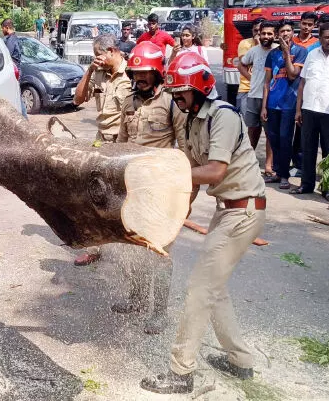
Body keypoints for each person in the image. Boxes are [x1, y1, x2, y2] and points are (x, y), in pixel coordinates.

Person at [141, 52, 266, 395]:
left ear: (200, 88)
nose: (176, 99)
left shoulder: (221, 116)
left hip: (243, 211)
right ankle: (241, 361)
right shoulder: (194, 120)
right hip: (227, 210)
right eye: (175, 93)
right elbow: (193, 182)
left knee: (199, 290)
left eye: (181, 93)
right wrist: (173, 218)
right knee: (215, 290)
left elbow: (214, 171)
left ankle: (180, 373)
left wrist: (166, 175)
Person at [115, 41, 187, 334]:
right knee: (132, 248)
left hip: (161, 191)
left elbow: (184, 148)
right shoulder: (128, 102)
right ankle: (137, 299)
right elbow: (118, 146)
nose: (139, 78)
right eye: (135, 73)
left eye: (145, 73)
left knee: (159, 255)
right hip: (132, 190)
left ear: (158, 73)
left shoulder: (171, 103)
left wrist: (183, 193)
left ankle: (159, 313)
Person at [71, 34, 132, 266]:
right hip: (101, 140)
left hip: (123, 141)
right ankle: (95, 247)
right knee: (93, 194)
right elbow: (78, 100)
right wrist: (88, 71)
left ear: (113, 51)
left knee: (123, 195)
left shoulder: (132, 74)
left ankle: (127, 245)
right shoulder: (97, 73)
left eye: (99, 55)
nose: (97, 60)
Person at [292, 21, 329, 198]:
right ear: (320, 38)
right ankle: (306, 185)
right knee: (308, 148)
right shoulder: (312, 54)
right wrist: (298, 110)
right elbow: (302, 83)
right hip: (309, 109)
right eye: (327, 37)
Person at [259, 20, 307, 191]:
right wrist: (264, 106)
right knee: (274, 139)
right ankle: (278, 172)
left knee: (286, 140)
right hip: (272, 103)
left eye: (288, 30)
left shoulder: (300, 52)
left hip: (289, 103)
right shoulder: (271, 55)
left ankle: (285, 175)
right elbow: (266, 82)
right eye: (282, 31)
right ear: (278, 34)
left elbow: (294, 75)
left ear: (292, 32)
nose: (285, 34)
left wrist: (287, 53)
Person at [237, 20, 277, 156]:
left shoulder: (278, 50)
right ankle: (249, 161)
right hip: (254, 96)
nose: (266, 36)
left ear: (275, 35)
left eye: (269, 33)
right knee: (252, 131)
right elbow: (241, 64)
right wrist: (250, 78)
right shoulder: (253, 51)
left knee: (270, 133)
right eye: (263, 33)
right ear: (259, 35)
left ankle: (268, 165)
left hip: (272, 98)